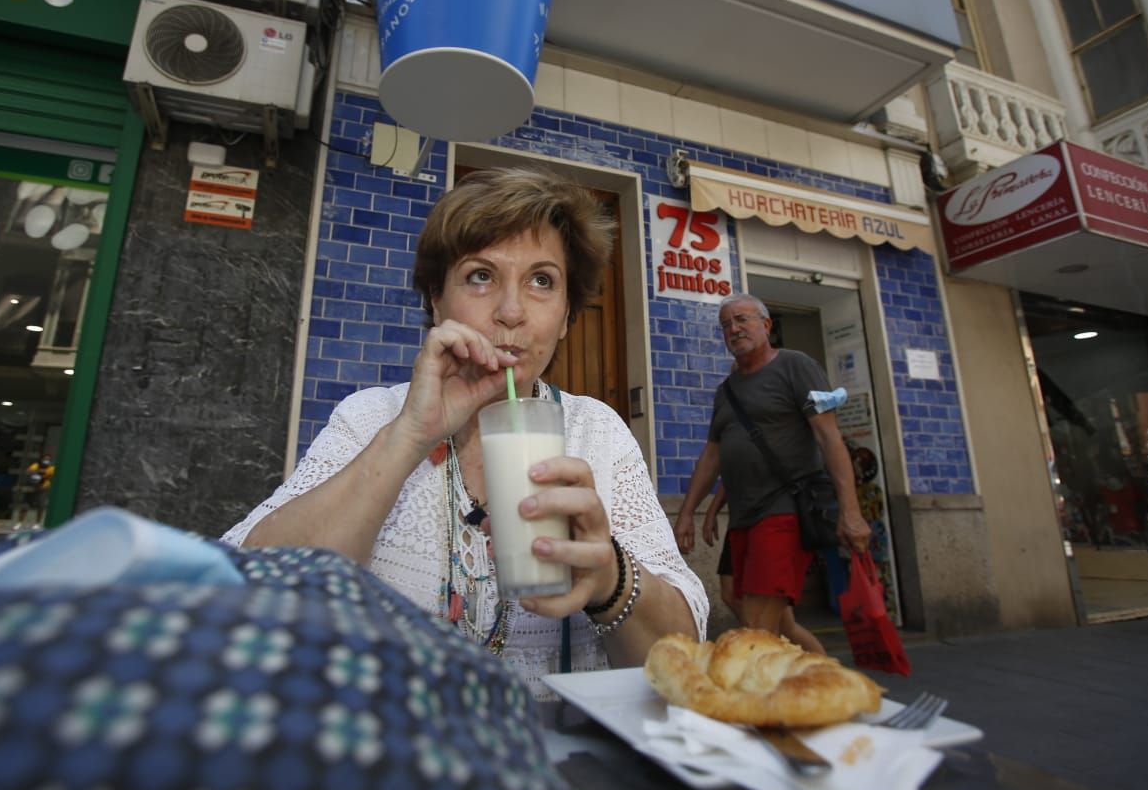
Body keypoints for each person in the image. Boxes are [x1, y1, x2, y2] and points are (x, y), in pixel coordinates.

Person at [223, 167, 705, 696]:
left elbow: (683, 651)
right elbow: (244, 594)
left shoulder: (597, 431)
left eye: (542, 281)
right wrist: (409, 435)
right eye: (481, 276)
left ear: (567, 316)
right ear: (436, 300)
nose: (511, 312)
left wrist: (610, 577)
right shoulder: (372, 418)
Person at [673, 293, 869, 653]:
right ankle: (823, 676)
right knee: (745, 601)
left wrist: (851, 512)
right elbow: (714, 455)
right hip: (744, 514)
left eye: (742, 320)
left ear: (766, 325)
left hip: (784, 509)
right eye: (726, 325)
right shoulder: (727, 391)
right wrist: (690, 512)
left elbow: (829, 438)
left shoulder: (796, 365)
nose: (733, 329)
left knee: (760, 624)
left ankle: (765, 701)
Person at [700, 482, 742, 622]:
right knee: (729, 592)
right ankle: (758, 633)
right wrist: (712, 512)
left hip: (767, 518)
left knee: (783, 619)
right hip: (740, 520)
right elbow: (729, 473)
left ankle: (764, 636)